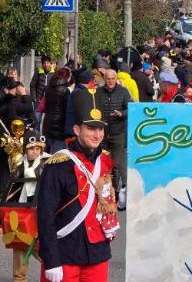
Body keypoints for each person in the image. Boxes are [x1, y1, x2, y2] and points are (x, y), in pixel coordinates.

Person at [36, 87, 118, 282]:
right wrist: (51, 260)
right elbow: (45, 215)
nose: (97, 135)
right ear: (76, 129)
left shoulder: (105, 162)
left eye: (100, 129)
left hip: (97, 253)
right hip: (65, 254)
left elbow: (106, 201)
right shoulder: (58, 164)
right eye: (91, 128)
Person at [2, 129, 50, 282]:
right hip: (23, 208)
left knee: (40, 245)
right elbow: (13, 187)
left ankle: (53, 269)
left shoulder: (48, 163)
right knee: (19, 242)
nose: (35, 151)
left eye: (37, 148)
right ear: (25, 149)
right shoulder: (20, 164)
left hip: (41, 209)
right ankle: (19, 277)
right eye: (31, 148)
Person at [95, 69, 131, 196]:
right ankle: (101, 191)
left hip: (118, 133)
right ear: (104, 79)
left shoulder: (123, 91)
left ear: (116, 79)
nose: (110, 81)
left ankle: (114, 192)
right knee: (101, 163)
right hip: (102, 134)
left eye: (112, 79)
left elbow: (131, 108)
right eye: (108, 79)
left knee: (116, 165)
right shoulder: (98, 92)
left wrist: (122, 113)